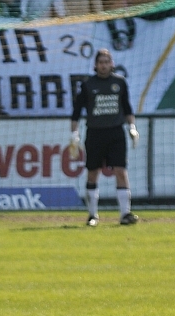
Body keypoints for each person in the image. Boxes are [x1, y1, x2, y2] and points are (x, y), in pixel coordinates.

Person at [70, 48, 139, 226]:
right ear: (95, 65)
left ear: (112, 64)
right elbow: (76, 112)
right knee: (93, 173)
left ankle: (125, 214)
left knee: (121, 171)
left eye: (107, 62)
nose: (104, 65)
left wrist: (132, 127)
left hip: (116, 132)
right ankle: (92, 215)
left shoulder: (120, 83)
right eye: (101, 62)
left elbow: (127, 107)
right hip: (95, 133)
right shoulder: (88, 85)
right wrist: (74, 134)